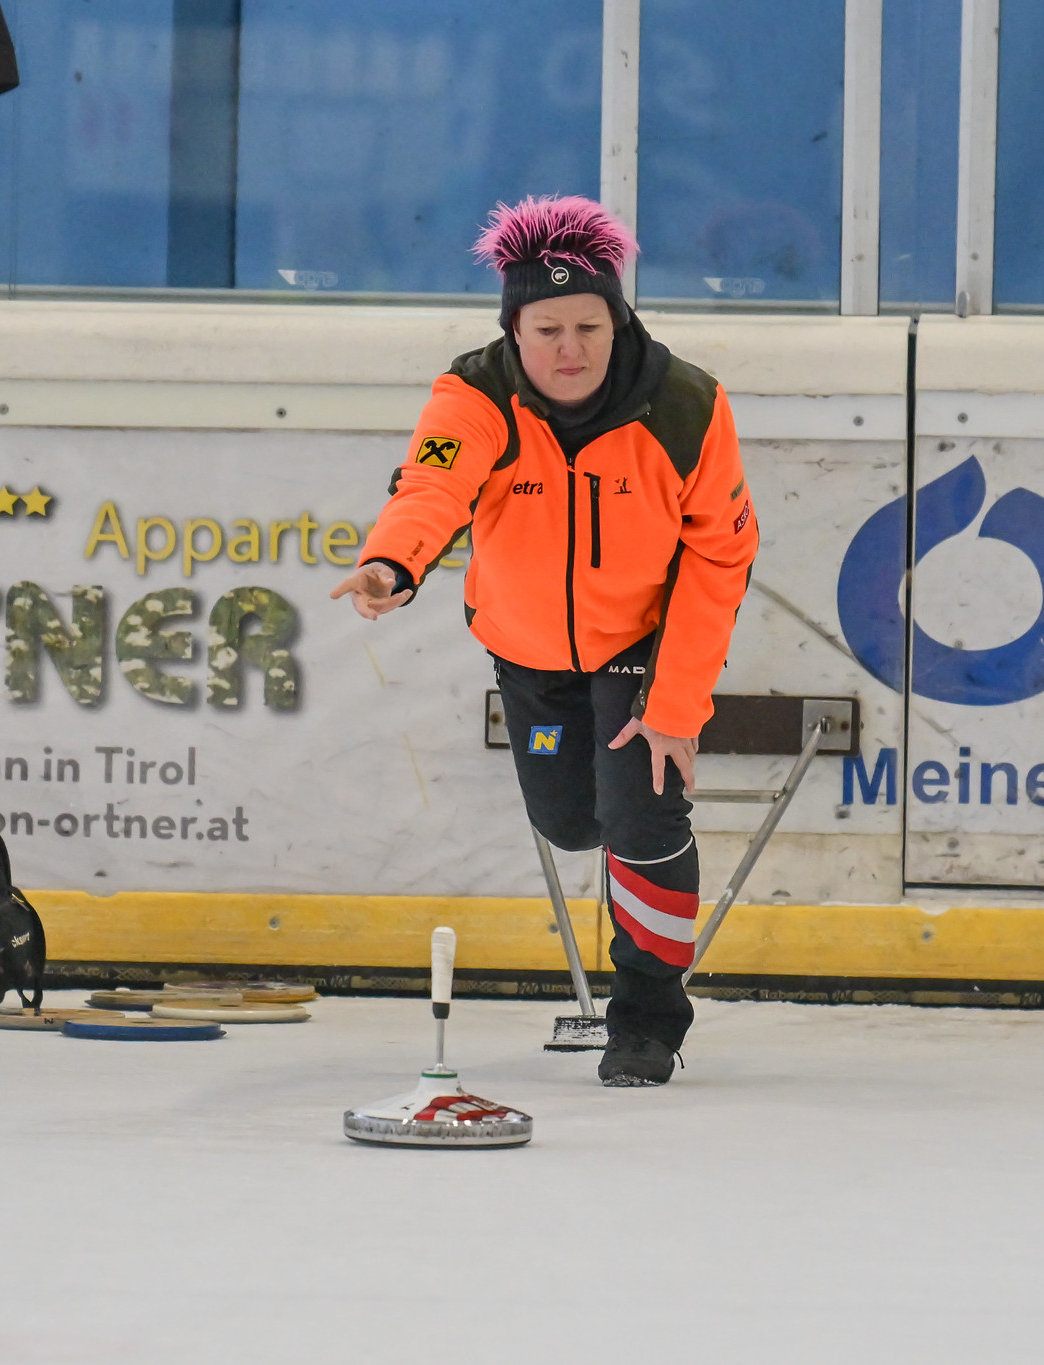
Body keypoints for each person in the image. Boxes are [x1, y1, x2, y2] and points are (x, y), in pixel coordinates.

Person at [331, 195, 757, 1086]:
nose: (570, 349)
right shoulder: (475, 393)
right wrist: (391, 565)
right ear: (513, 331)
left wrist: (675, 708)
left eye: (590, 326)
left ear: (618, 320)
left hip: (640, 640)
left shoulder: (685, 408)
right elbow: (431, 490)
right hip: (526, 648)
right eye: (547, 328)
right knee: (571, 822)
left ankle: (645, 1019)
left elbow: (721, 558)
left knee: (640, 814)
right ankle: (624, 858)